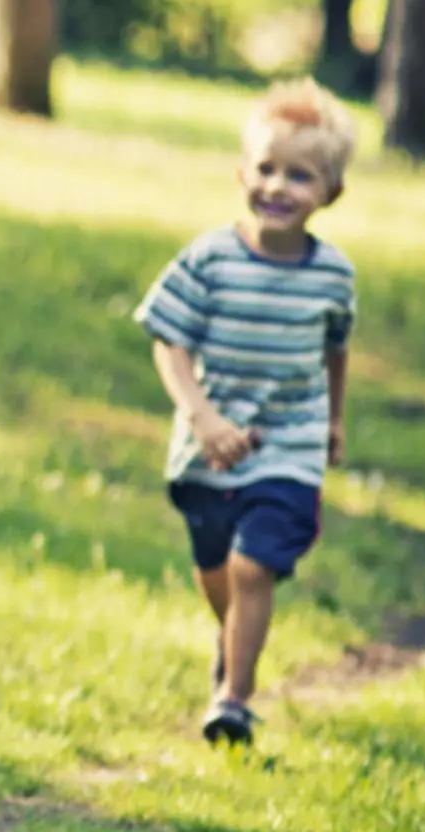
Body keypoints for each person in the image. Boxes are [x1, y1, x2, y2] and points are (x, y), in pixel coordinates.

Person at [135, 79, 356, 747]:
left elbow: (333, 348)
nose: (277, 186)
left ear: (329, 192)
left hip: (287, 445)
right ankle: (232, 641)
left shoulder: (332, 275)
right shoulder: (210, 257)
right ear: (241, 173)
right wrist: (201, 417)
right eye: (264, 168)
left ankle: (233, 699)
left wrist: (334, 419)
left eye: (299, 175)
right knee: (214, 567)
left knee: (251, 565)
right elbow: (167, 339)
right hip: (206, 448)